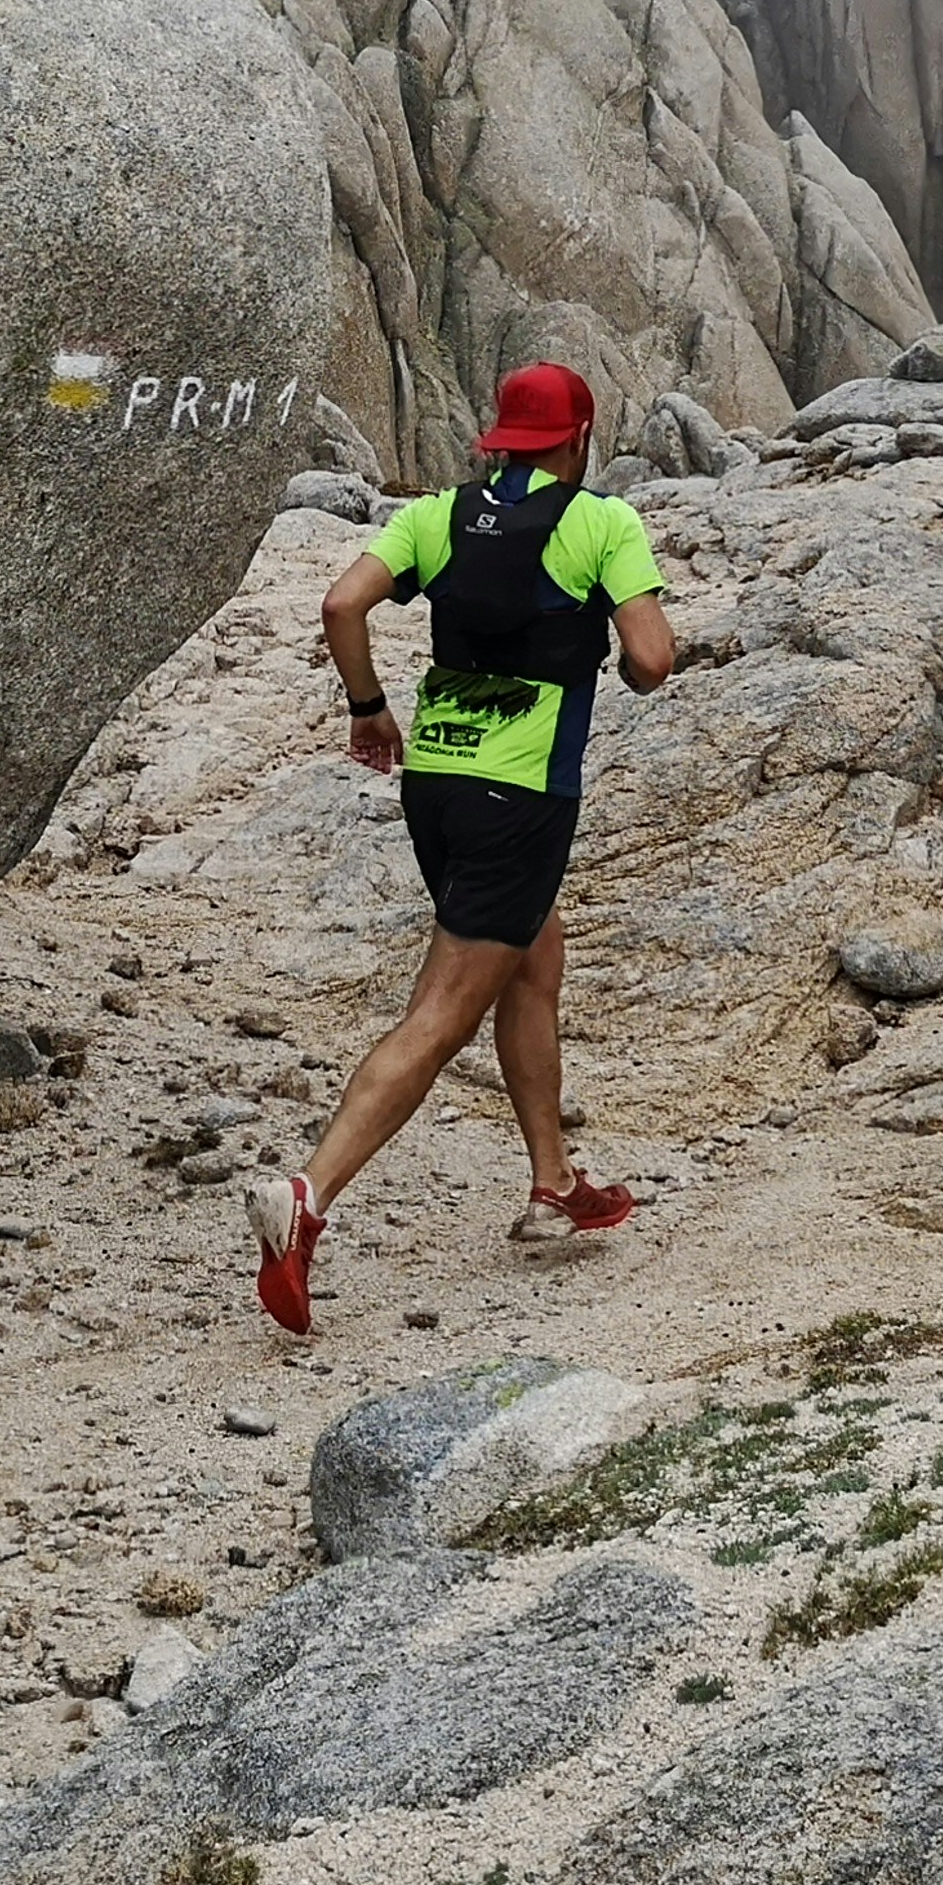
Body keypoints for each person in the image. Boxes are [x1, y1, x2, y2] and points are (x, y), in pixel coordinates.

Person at [242, 360, 675, 1335]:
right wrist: (616, 650)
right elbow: (651, 658)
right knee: (438, 1017)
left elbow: (340, 605)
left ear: (499, 440)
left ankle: (552, 1184)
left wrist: (367, 709)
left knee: (530, 961)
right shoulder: (598, 523)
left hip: (436, 786)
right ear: (577, 440)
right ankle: (303, 1200)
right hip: (519, 799)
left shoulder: (435, 514)